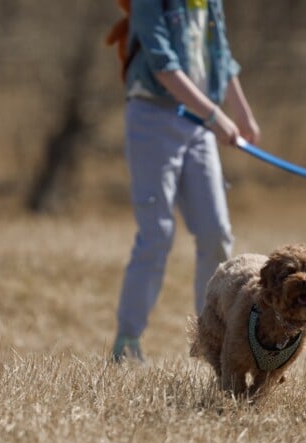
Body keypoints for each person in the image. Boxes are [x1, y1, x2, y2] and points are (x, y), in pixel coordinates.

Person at [110, 0, 260, 363]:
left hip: (198, 125)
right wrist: (214, 114)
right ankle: (127, 342)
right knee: (157, 234)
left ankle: (213, 341)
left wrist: (242, 114)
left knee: (215, 232)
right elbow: (163, 65)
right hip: (152, 117)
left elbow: (220, 55)